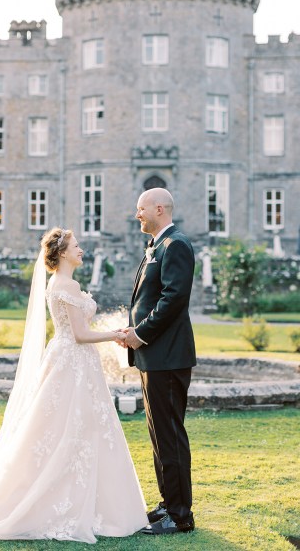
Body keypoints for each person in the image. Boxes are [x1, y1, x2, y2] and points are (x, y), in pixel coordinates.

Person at [0, 228, 148, 543]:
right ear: (62, 253)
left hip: (68, 360)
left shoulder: (57, 283)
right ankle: (75, 498)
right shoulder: (67, 284)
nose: (82, 249)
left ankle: (81, 492)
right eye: (76, 246)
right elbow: (80, 334)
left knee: (65, 427)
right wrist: (115, 334)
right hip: (73, 360)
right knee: (74, 427)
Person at [122, 187, 196, 536]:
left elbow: (173, 299)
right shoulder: (156, 245)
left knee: (170, 435)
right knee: (159, 435)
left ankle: (180, 515)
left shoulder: (175, 244)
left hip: (168, 356)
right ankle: (168, 503)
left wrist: (142, 332)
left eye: (141, 209)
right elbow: (149, 297)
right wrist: (133, 328)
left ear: (160, 209)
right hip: (155, 356)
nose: (137, 214)